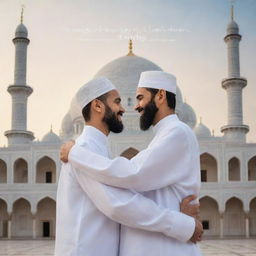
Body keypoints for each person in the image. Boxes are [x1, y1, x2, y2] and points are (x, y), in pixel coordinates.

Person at [56, 77, 202, 256]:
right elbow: (118, 204)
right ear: (98, 106)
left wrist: (178, 213)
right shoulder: (85, 148)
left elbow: (133, 177)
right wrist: (181, 222)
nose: (127, 108)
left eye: (140, 98)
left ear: (161, 96)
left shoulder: (86, 153)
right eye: (118, 102)